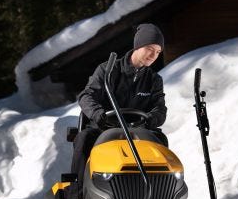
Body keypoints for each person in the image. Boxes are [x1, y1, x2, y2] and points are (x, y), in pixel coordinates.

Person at [69, 23, 168, 181]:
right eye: (150, 48)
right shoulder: (107, 70)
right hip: (104, 129)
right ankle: (78, 194)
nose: (153, 55)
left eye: (158, 51)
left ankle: (157, 190)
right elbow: (87, 96)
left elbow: (159, 109)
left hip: (137, 132)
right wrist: (99, 115)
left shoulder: (154, 80)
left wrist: (151, 119)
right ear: (138, 45)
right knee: (84, 138)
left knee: (160, 139)